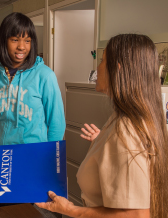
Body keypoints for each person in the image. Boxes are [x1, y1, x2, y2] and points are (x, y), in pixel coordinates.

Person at [36, 34, 168, 218]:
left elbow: (137, 214)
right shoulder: (132, 118)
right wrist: (104, 143)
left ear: (118, 70)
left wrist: (69, 210)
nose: (97, 68)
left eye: (103, 61)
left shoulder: (127, 129)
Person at [0, 12, 66, 207]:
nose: (22, 47)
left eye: (27, 40)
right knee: (5, 210)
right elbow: (0, 118)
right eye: (15, 39)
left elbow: (57, 122)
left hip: (32, 157)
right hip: (3, 156)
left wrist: (48, 164)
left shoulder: (44, 75)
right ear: (3, 41)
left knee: (29, 211)